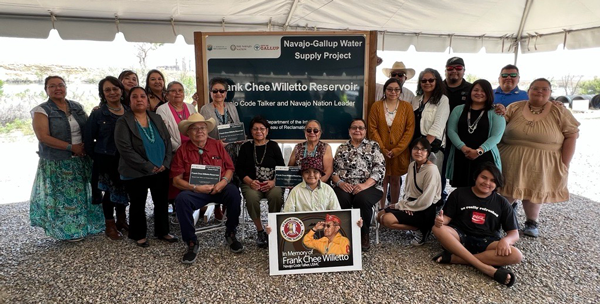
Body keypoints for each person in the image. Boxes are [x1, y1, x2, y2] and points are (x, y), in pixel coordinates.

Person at [498, 78, 580, 237]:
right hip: (510, 157)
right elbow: (499, 123)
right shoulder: (514, 107)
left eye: (544, 89)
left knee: (535, 191)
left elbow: (571, 135)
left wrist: (564, 162)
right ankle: (498, 220)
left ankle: (531, 222)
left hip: (545, 160)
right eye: (535, 88)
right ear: (528, 91)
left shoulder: (559, 110)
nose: (539, 91)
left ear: (550, 93)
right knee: (507, 191)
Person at [30, 76, 103, 241]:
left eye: (60, 85)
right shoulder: (42, 110)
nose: (57, 89)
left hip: (81, 158)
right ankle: (69, 231)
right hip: (58, 160)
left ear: (66, 87)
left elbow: (88, 126)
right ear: (46, 89)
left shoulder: (76, 107)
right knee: (64, 197)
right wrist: (71, 147)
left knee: (83, 194)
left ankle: (87, 226)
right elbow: (43, 136)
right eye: (52, 86)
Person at [432, 163, 522, 288]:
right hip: (459, 236)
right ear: (476, 177)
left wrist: (506, 241)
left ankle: (457, 259)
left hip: (487, 241)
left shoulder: (502, 202)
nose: (487, 183)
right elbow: (446, 218)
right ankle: (486, 268)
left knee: (516, 255)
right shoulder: (459, 193)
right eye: (484, 177)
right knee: (438, 229)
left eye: (492, 180)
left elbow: (514, 233)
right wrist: (441, 221)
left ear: (497, 184)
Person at [171, 113, 243, 263]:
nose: (200, 131)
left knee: (234, 192)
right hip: (196, 191)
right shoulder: (182, 150)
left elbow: (230, 168)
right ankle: (191, 241)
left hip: (219, 188)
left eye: (202, 127)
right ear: (188, 132)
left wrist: (223, 182)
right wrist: (195, 188)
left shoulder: (216, 145)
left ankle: (230, 232)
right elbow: (176, 181)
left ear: (207, 130)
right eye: (195, 128)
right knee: (181, 199)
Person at [114, 86, 178, 247]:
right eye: (135, 97)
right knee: (138, 204)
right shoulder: (123, 121)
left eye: (142, 96)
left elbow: (167, 141)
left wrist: (165, 163)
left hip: (161, 169)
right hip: (136, 171)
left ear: (147, 100)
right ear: (129, 101)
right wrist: (148, 166)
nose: (139, 99)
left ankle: (162, 231)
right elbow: (125, 149)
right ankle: (138, 234)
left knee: (161, 202)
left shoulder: (155, 118)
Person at [84, 76, 130, 240]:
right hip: (106, 159)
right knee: (110, 194)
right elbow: (88, 140)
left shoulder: (129, 110)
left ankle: (122, 221)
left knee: (123, 191)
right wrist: (97, 157)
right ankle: (110, 225)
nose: (112, 92)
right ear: (102, 93)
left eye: (115, 89)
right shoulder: (98, 113)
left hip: (126, 160)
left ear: (121, 90)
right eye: (107, 90)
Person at [331, 118, 385, 251]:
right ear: (349, 131)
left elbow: (380, 169)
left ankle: (363, 234)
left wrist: (365, 185)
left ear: (365, 131)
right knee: (340, 198)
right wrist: (340, 183)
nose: (357, 130)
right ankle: (343, 234)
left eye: (361, 128)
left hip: (369, 186)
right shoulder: (342, 148)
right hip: (346, 185)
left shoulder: (373, 146)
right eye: (354, 127)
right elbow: (334, 171)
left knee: (362, 199)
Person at [376, 138, 441, 246]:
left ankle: (421, 229)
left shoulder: (431, 170)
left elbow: (426, 200)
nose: (419, 152)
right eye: (416, 148)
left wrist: (405, 206)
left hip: (425, 208)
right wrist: (405, 204)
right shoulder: (412, 165)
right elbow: (408, 190)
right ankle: (414, 225)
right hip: (411, 204)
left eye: (423, 149)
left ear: (428, 152)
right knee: (380, 215)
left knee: (387, 220)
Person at [236, 116, 285, 248]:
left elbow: (281, 167)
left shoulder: (273, 146)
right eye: (255, 129)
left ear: (267, 131)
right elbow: (239, 169)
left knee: (276, 195)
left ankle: (271, 229)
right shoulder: (246, 147)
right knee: (251, 197)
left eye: (262, 129)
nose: (259, 131)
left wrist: (274, 182)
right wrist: (250, 182)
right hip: (251, 184)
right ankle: (260, 231)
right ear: (251, 131)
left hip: (271, 184)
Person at [446, 79, 506, 187]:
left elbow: (496, 136)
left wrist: (478, 151)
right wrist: (463, 148)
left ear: (489, 93)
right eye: (476, 90)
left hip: (485, 156)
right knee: (462, 189)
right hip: (461, 155)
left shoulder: (496, 112)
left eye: (483, 91)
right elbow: (451, 131)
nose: (479, 93)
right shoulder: (458, 109)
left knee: (484, 189)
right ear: (470, 92)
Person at [368, 78, 414, 210]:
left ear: (400, 91)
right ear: (385, 90)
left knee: (395, 180)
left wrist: (397, 149)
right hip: (380, 151)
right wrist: (382, 148)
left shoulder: (407, 107)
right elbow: (372, 129)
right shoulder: (376, 106)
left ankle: (393, 208)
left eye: (396, 89)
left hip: (399, 152)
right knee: (382, 179)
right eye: (389, 89)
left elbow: (409, 130)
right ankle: (381, 208)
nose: (393, 92)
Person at [200, 77, 244, 187]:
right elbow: (202, 133)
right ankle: (217, 204)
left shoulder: (232, 106)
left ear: (226, 93)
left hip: (232, 152)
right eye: (215, 91)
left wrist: (240, 138)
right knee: (217, 181)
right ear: (210, 93)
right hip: (215, 153)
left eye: (221, 91)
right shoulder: (205, 109)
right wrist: (216, 143)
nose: (218, 93)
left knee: (231, 183)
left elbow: (237, 125)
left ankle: (228, 204)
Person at [411, 68, 449, 174]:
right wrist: (417, 149)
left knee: (431, 183)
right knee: (416, 180)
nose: (427, 83)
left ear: (437, 82)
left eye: (431, 80)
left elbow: (438, 125)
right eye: (424, 81)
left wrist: (423, 148)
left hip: (432, 148)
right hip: (416, 146)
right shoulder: (415, 99)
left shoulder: (442, 100)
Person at [156, 81, 198, 152]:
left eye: (180, 90)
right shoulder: (162, 109)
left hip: (195, 148)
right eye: (173, 91)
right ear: (167, 95)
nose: (178, 93)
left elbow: (198, 126)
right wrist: (181, 149)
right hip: (175, 151)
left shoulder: (191, 107)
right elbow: (164, 134)